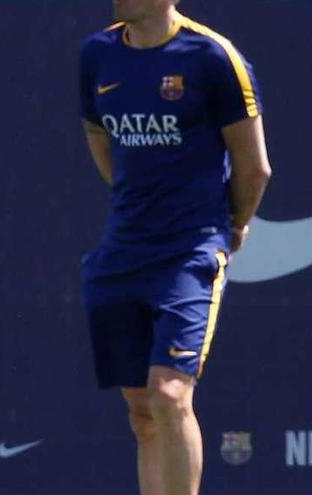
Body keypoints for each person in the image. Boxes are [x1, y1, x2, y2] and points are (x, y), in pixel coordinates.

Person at [78, 1, 271, 494]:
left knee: (169, 393)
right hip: (122, 252)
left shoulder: (212, 58)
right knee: (142, 410)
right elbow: (100, 137)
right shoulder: (98, 55)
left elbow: (254, 167)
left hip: (190, 252)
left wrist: (233, 226)